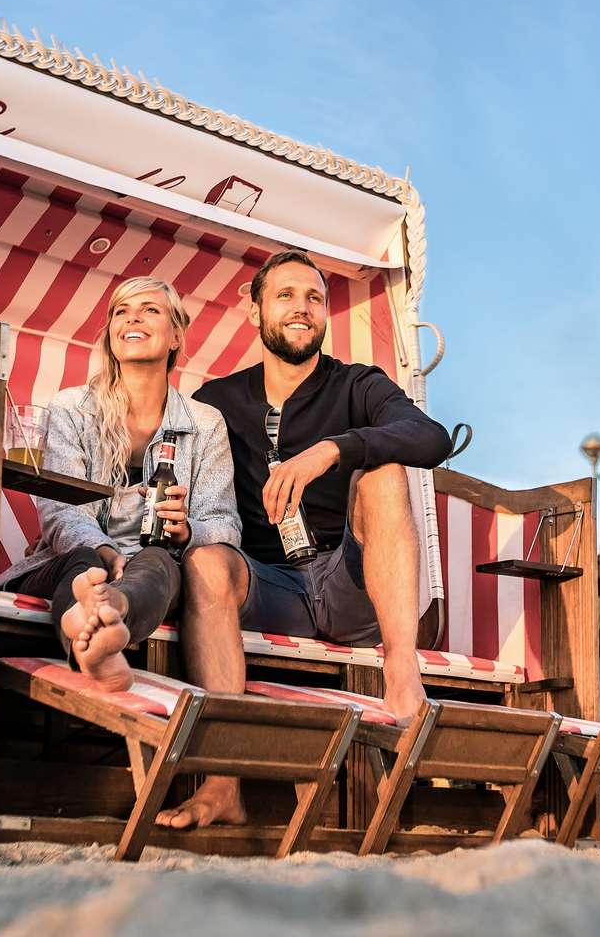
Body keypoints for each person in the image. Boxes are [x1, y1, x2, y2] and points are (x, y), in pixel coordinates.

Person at [168, 249, 453, 830]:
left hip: (352, 585)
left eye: (314, 298)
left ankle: (402, 670)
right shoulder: (215, 403)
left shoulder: (356, 385)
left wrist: (334, 450)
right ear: (255, 311)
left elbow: (431, 438)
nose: (302, 308)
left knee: (385, 471)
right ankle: (223, 785)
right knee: (207, 562)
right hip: (270, 587)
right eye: (285, 296)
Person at [0, 277, 240, 692]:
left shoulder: (205, 423)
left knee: (160, 563)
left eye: (149, 309)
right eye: (121, 311)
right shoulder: (71, 408)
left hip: (151, 572)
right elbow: (60, 510)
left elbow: (225, 524)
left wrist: (187, 531)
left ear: (176, 335)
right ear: (111, 334)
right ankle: (92, 625)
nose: (133, 318)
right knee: (85, 564)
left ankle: (103, 620)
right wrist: (107, 553)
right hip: (68, 561)